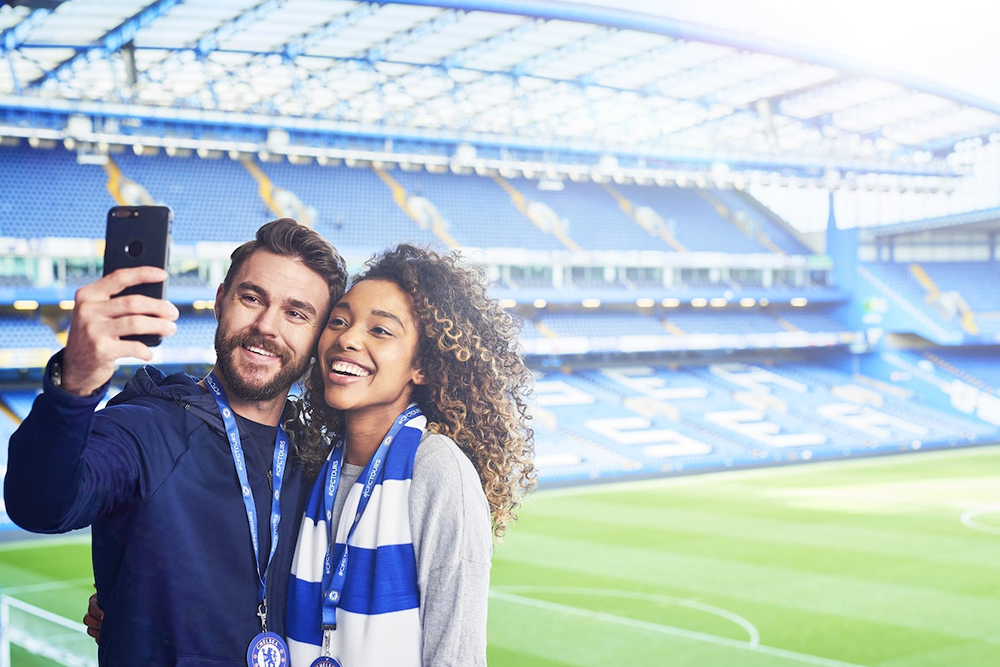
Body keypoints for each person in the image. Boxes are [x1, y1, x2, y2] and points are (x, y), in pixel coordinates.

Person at [4, 218, 347, 666]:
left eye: (296, 313)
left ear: (319, 336)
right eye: (251, 298)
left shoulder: (316, 458)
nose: (267, 326)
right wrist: (75, 382)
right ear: (221, 300)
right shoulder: (146, 427)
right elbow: (41, 504)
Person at [284, 244, 536, 667]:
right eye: (338, 321)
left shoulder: (437, 470)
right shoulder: (313, 462)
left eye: (380, 330)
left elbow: (456, 656)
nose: (347, 338)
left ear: (422, 366)